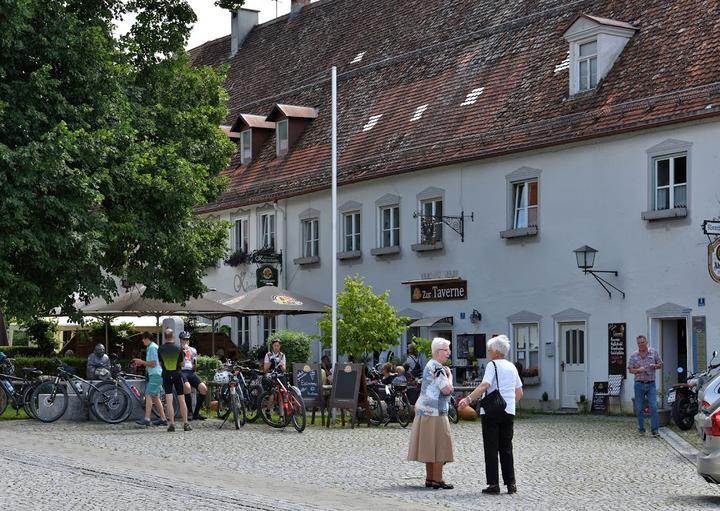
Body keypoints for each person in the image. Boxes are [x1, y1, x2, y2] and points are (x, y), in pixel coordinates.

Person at [458, 335, 523, 495]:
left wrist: (468, 398)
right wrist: (509, 403)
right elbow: (519, 392)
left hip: (492, 411)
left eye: (489, 350)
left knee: (491, 448)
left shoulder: (492, 365)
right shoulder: (512, 367)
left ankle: (493, 484)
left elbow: (485, 385)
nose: (488, 353)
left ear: (495, 351)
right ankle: (511, 484)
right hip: (508, 411)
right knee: (507, 448)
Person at [407, 337, 455, 490]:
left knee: (429, 445)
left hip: (424, 409)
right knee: (439, 445)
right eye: (446, 350)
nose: (449, 353)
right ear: (438, 351)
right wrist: (450, 377)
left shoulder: (429, 364)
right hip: (436, 411)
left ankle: (430, 478)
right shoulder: (438, 368)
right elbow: (446, 389)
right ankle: (437, 480)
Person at [627, 335, 663, 437]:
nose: (641, 345)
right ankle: (641, 429)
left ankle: (655, 430)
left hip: (651, 383)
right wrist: (638, 370)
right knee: (639, 408)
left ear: (646, 342)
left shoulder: (653, 352)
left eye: (642, 342)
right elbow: (630, 369)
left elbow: (660, 364)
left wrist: (655, 366)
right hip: (639, 384)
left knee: (654, 406)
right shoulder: (634, 355)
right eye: (639, 343)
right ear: (637, 344)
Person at [132, 332, 168, 427]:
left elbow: (153, 364)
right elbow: (151, 363)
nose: (142, 341)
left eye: (143, 339)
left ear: (147, 338)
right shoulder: (152, 347)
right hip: (156, 374)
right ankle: (163, 419)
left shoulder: (152, 348)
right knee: (155, 397)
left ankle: (147, 418)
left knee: (148, 394)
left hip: (155, 374)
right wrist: (143, 363)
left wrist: (141, 362)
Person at [158, 328, 191, 432]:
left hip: (166, 374)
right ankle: (185, 423)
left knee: (169, 400)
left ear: (164, 337)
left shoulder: (161, 349)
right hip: (177, 374)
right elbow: (182, 364)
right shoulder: (179, 348)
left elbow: (160, 363)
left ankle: (171, 424)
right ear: (173, 336)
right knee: (181, 399)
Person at [179, 331, 207, 421]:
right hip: (181, 371)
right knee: (187, 387)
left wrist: (195, 363)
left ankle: (196, 413)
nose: (186, 341)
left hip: (191, 372)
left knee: (203, 388)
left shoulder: (193, 350)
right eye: (184, 339)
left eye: (187, 339)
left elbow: (194, 364)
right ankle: (190, 412)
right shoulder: (177, 349)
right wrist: (182, 352)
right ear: (180, 340)